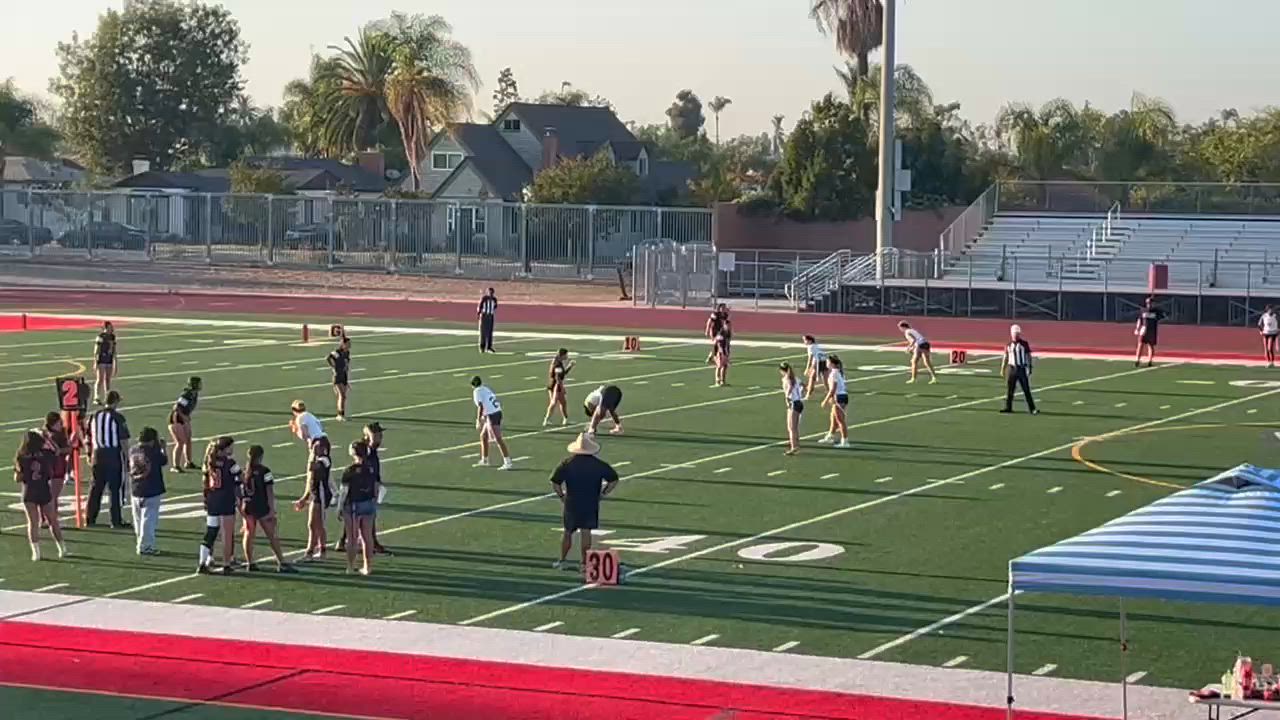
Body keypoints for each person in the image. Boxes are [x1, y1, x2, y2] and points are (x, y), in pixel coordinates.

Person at [550, 433, 619, 571]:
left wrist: (562, 496)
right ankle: (584, 563)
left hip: (572, 502)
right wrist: (603, 493)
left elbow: (555, 482)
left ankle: (562, 560)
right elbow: (614, 480)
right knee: (586, 532)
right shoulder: (598, 464)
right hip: (590, 501)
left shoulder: (567, 463)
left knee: (568, 532)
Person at [239, 445, 295, 573]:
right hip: (261, 506)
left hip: (248, 506)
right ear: (261, 456)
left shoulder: (245, 471)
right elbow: (269, 491)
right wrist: (272, 509)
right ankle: (282, 562)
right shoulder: (265, 471)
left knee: (249, 534)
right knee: (272, 536)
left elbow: (240, 491)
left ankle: (250, 562)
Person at [14, 430, 67, 561]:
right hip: (43, 489)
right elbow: (57, 451)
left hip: (29, 491)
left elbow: (17, 478)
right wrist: (48, 437)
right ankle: (62, 548)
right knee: (52, 520)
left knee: (33, 523)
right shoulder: (45, 454)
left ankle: (36, 553)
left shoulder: (21, 456)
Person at [338, 423, 390, 555]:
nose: (380, 438)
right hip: (362, 487)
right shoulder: (364, 449)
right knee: (364, 515)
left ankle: (344, 540)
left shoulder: (372, 450)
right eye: (377, 435)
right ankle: (368, 542)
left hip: (370, 485)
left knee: (363, 515)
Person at [86, 390, 129, 528]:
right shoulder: (118, 417)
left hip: (97, 454)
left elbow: (88, 437)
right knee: (115, 489)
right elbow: (123, 440)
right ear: (115, 402)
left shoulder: (94, 416)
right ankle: (115, 520)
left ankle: (90, 518)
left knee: (96, 487)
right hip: (113, 455)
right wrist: (127, 458)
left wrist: (89, 454)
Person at [198, 436, 240, 574]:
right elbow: (240, 479)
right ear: (225, 448)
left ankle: (202, 562)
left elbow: (205, 482)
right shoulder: (230, 463)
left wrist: (206, 498)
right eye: (231, 447)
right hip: (226, 499)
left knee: (211, 532)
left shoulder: (209, 462)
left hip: (212, 500)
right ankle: (227, 564)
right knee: (227, 534)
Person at [338, 439, 378, 576]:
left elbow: (344, 491)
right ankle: (368, 567)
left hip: (353, 505)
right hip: (368, 503)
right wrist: (374, 501)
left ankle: (350, 566)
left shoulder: (349, 470)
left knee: (352, 537)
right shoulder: (371, 468)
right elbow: (376, 487)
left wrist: (339, 507)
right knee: (367, 537)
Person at [293, 436, 333, 561]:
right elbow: (310, 481)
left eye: (318, 447)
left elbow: (312, 467)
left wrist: (313, 454)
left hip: (321, 495)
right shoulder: (319, 459)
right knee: (313, 524)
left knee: (317, 523)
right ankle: (316, 550)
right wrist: (304, 498)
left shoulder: (325, 460)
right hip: (315, 494)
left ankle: (315, 551)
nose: (315, 449)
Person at [128, 427, 167, 556]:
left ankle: (140, 541)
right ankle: (146, 545)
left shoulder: (133, 450)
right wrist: (163, 448)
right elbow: (164, 461)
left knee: (138, 519)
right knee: (149, 519)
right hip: (151, 489)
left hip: (136, 488)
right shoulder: (153, 452)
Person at [471, 376, 514, 470]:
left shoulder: (477, 391)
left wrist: (478, 420)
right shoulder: (485, 388)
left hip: (492, 415)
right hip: (495, 412)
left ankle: (508, 461)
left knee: (498, 438)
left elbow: (481, 406)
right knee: (483, 436)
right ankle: (485, 460)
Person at [40, 412, 72, 529]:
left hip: (45, 467)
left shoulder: (43, 433)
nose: (61, 424)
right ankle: (52, 520)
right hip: (56, 467)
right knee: (52, 496)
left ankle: (44, 519)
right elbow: (65, 450)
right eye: (59, 422)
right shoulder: (56, 435)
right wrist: (65, 448)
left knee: (47, 496)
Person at [1001, 325, 1039, 415]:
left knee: (1026, 389)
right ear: (1011, 334)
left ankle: (1032, 409)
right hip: (1012, 369)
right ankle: (1008, 407)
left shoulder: (1024, 344)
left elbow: (1028, 356)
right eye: (1014, 334)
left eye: (1017, 334)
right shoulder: (1008, 345)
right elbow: (1005, 357)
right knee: (1010, 390)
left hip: (1021, 369)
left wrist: (1029, 367)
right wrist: (1003, 368)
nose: (1015, 335)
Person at [167, 377, 201, 473]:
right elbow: (176, 407)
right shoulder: (187, 395)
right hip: (176, 419)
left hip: (184, 418)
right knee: (180, 442)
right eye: (199, 383)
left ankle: (188, 462)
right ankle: (175, 466)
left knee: (188, 440)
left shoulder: (194, 394)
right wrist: (183, 417)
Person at [820, 355, 850, 448]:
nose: (826, 363)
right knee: (833, 419)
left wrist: (825, 400)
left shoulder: (834, 373)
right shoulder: (837, 372)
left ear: (832, 363)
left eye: (828, 362)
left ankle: (845, 441)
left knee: (840, 420)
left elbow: (833, 389)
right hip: (841, 396)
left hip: (839, 397)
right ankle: (830, 436)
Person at [543, 349, 575, 426]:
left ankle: (549, 419)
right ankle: (549, 419)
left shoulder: (556, 362)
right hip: (556, 385)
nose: (567, 356)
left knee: (561, 402)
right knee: (555, 402)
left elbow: (562, 374)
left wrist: (570, 366)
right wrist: (561, 387)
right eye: (566, 355)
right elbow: (558, 377)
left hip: (552, 384)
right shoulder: (557, 364)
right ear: (562, 355)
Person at [780, 363, 804, 456]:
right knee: (795, 427)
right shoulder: (795, 378)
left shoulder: (786, 378)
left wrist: (787, 397)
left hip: (793, 403)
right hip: (799, 402)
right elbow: (803, 385)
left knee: (791, 428)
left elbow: (790, 387)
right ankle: (796, 446)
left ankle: (793, 447)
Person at [1134, 297, 1166, 367]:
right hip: (1144, 329)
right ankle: (1137, 360)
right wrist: (1137, 328)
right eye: (1148, 303)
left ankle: (1150, 360)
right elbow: (1139, 320)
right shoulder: (1143, 310)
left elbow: (1163, 317)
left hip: (1152, 330)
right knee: (1140, 344)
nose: (1149, 304)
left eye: (1151, 303)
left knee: (1150, 345)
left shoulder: (1156, 311)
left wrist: (1157, 319)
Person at [92, 321, 117, 405]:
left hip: (109, 359)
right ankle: (96, 396)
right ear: (106, 328)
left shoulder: (112, 337)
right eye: (110, 327)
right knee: (100, 378)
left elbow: (114, 350)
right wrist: (95, 362)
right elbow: (96, 350)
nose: (111, 328)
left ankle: (107, 397)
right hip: (101, 359)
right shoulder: (100, 336)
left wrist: (115, 362)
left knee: (107, 379)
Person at [327, 336, 351, 421]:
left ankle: (340, 413)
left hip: (344, 376)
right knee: (342, 395)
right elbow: (329, 358)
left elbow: (346, 364)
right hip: (337, 376)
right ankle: (340, 414)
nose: (349, 345)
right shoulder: (337, 352)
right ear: (343, 344)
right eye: (347, 343)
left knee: (343, 397)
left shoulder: (347, 353)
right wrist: (333, 367)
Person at [477, 288, 498, 353]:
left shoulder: (494, 299)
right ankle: (482, 347)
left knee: (490, 332)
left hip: (490, 316)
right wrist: (479, 314)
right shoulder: (484, 298)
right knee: (483, 332)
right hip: (484, 316)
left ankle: (489, 347)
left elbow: (495, 306)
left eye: (492, 292)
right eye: (489, 292)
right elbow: (480, 306)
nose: (490, 294)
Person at [713, 321, 732, 387]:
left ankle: (723, 381)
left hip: (725, 351)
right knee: (719, 366)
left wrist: (727, 352)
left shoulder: (728, 332)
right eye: (728, 325)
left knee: (725, 366)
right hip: (720, 352)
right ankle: (717, 381)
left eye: (730, 325)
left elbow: (727, 343)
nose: (729, 327)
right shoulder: (721, 333)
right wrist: (722, 353)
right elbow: (719, 345)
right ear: (724, 325)